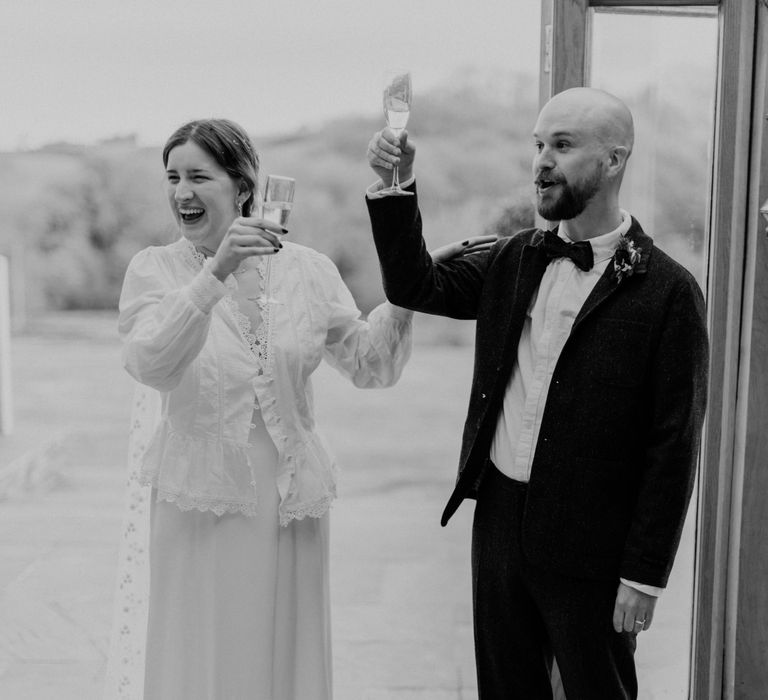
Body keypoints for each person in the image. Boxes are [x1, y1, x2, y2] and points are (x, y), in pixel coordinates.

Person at [365, 87, 709, 699]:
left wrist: (645, 574)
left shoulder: (670, 292)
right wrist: (397, 187)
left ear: (615, 160)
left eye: (564, 144)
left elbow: (673, 446)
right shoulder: (511, 259)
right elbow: (415, 285)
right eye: (538, 144)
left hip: (593, 545)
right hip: (498, 525)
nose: (542, 160)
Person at [102, 117, 420, 700]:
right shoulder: (155, 269)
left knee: (284, 656)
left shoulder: (308, 270)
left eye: (199, 176)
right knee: (207, 654)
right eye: (172, 177)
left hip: (290, 502)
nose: (181, 192)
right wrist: (213, 274)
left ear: (243, 184)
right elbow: (152, 364)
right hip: (201, 502)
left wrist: (409, 286)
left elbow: (372, 366)